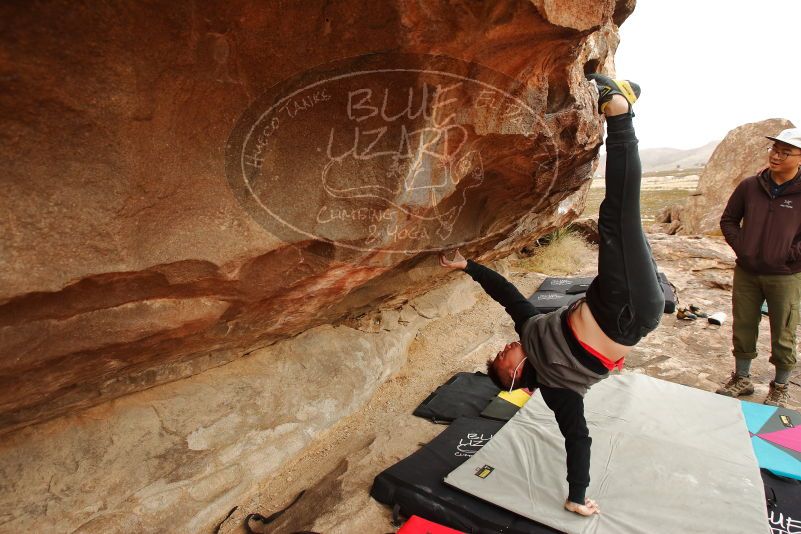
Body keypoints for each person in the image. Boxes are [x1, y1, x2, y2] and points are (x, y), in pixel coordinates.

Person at [439, 73, 664, 517]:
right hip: (626, 312)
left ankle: (625, 104)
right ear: (516, 375)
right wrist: (577, 496)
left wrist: (467, 266)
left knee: (620, 224)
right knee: (618, 216)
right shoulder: (558, 388)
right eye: (501, 360)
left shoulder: (530, 331)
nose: (503, 349)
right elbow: (577, 438)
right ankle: (621, 115)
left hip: (607, 297)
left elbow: (505, 293)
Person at [716, 128, 801, 407]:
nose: (775, 156)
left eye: (784, 152)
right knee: (743, 325)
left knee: (784, 330)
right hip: (747, 272)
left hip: (785, 276)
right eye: (773, 149)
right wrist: (744, 248)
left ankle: (780, 386)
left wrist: (790, 255)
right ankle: (742, 379)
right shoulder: (750, 186)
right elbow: (728, 220)